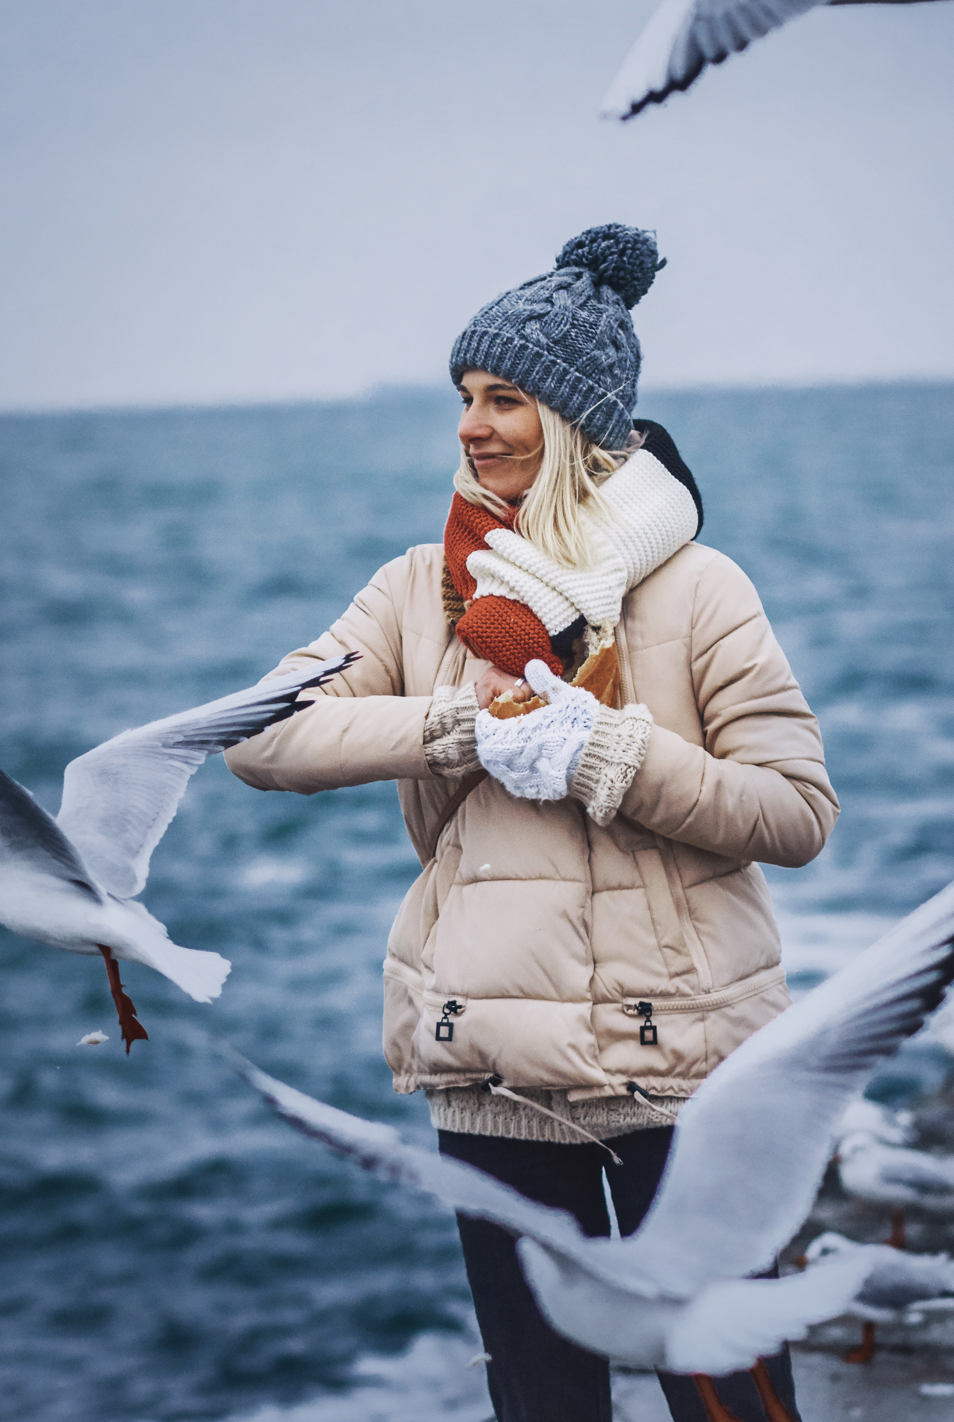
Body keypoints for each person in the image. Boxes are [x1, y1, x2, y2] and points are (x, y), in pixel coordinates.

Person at [225, 225, 835, 1422]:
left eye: (504, 398)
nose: (471, 424)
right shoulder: (421, 589)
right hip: (492, 1070)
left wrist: (615, 755)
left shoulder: (699, 589)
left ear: (574, 419)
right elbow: (255, 737)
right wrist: (451, 731)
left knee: (733, 1403)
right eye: (463, 396)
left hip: (688, 1075)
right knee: (545, 1407)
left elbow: (796, 812)